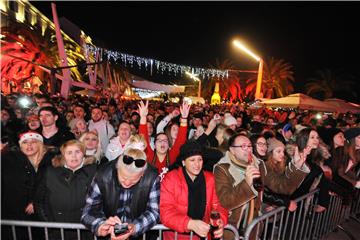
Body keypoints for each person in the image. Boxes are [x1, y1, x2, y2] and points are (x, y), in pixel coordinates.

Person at [81, 148, 160, 240]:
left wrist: (133, 227)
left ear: (142, 174)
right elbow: (88, 211)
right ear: (117, 168)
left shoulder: (151, 177)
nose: (127, 183)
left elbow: (154, 212)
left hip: (140, 236)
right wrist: (101, 225)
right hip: (108, 236)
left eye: (133, 180)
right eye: (123, 177)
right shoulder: (102, 174)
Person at [160, 140, 228, 240]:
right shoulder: (171, 179)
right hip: (176, 237)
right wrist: (189, 223)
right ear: (183, 162)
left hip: (203, 236)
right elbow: (166, 212)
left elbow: (218, 206)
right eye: (192, 160)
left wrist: (220, 220)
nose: (197, 164)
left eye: (199, 160)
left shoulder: (210, 179)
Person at [35, 140, 97, 239]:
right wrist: (50, 224)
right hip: (58, 230)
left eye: (77, 152)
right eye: (69, 152)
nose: (74, 156)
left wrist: (93, 222)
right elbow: (39, 201)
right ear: (63, 155)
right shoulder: (50, 172)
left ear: (83, 154)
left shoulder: (94, 172)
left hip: (85, 230)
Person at [2, 131, 58, 239]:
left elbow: (53, 186)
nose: (29, 145)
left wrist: (36, 201)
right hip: (14, 215)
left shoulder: (52, 161)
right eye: (25, 142)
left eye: (33, 142)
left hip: (42, 215)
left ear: (40, 144)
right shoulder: (9, 160)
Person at [138, 100, 190, 173]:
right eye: (159, 140)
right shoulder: (149, 155)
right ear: (154, 145)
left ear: (168, 145)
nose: (162, 142)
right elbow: (143, 138)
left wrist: (184, 118)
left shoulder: (172, 156)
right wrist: (143, 117)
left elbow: (180, 140)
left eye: (165, 141)